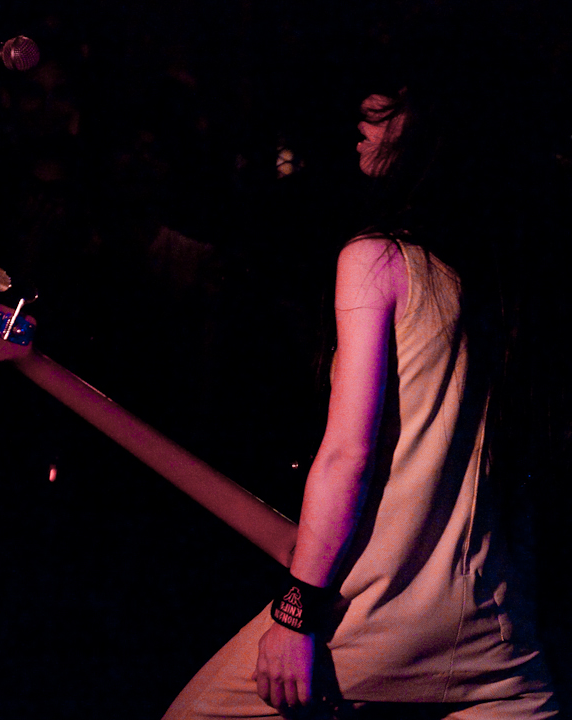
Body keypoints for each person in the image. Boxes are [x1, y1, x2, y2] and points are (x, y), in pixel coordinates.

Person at [162, 30, 563, 720]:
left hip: (376, 621)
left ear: (436, 125)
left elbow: (348, 455)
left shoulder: (378, 261)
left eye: (387, 109)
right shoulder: (513, 280)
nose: (361, 119)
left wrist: (294, 616)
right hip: (500, 634)